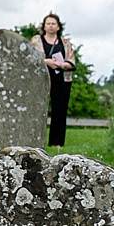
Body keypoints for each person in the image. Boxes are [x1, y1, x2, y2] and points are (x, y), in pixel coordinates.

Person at [30, 13, 75, 146]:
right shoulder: (35, 41)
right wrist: (46, 61)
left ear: (58, 26)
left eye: (53, 23)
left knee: (59, 112)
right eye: (48, 23)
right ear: (44, 26)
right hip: (41, 80)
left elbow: (72, 61)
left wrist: (62, 65)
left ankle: (57, 144)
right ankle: (35, 141)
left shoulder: (65, 43)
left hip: (62, 80)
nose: (50, 26)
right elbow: (29, 59)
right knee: (37, 109)